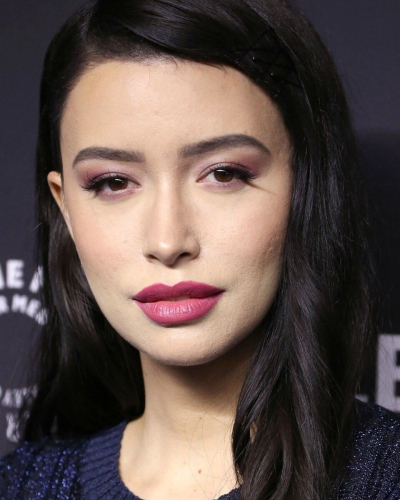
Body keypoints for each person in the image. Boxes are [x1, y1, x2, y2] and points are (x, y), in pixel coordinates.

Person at [1, 0, 400, 499]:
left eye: (223, 174)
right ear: (65, 209)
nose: (168, 242)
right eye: (113, 182)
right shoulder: (19, 487)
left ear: (306, 186)